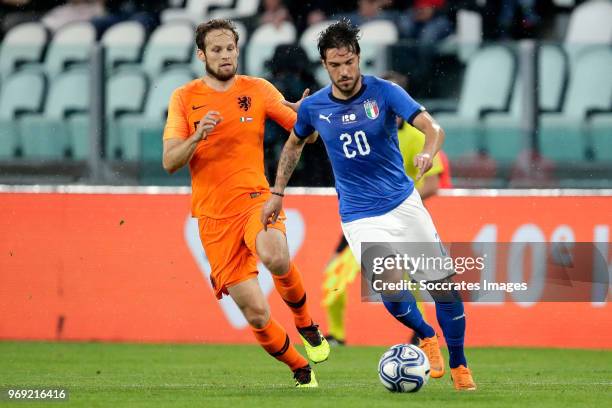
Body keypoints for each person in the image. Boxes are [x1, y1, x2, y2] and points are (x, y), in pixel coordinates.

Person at [261, 19, 475, 391]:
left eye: (349, 62)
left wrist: (427, 153)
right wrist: (278, 192)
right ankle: (425, 334)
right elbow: (295, 144)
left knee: (443, 289)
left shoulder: (385, 92)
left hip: (403, 204)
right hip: (360, 215)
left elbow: (433, 129)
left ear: (358, 58)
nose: (344, 72)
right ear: (325, 66)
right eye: (335, 65)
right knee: (389, 286)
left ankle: (459, 364)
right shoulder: (314, 107)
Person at [162, 19, 329, 388]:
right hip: (212, 218)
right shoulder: (184, 98)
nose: (225, 55)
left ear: (238, 50)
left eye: (230, 48)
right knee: (255, 313)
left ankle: (306, 323)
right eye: (217, 49)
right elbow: (170, 161)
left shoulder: (257, 89)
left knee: (275, 254)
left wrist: (308, 115)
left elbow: (309, 135)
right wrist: (197, 137)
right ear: (201, 55)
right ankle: (300, 368)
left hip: (255, 199)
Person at [322, 72, 454, 347]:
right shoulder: (360, 130)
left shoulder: (417, 137)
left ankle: (420, 334)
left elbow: (432, 183)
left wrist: (395, 200)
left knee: (414, 280)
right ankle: (336, 334)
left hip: (401, 215)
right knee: (334, 275)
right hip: (361, 217)